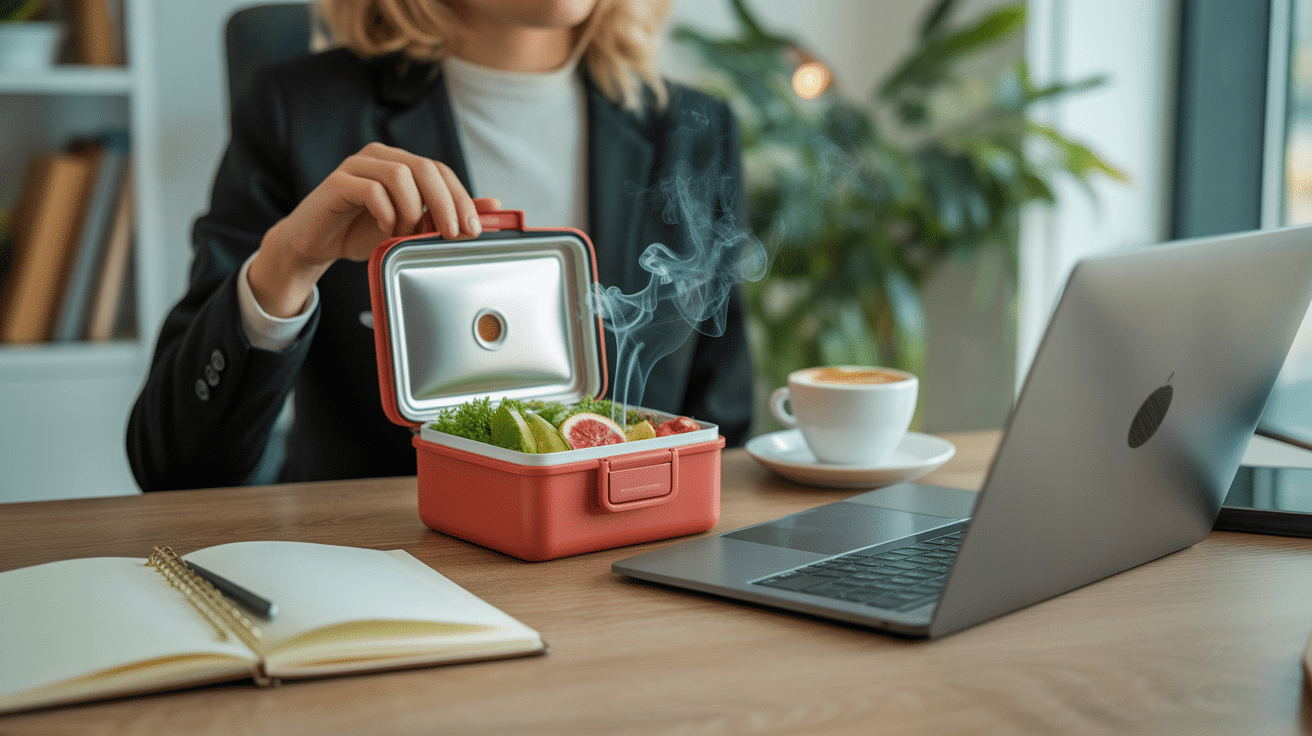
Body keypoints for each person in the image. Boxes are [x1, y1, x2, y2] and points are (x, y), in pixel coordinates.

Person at [126, 0, 754, 491]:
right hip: (385, 570)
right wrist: (287, 267)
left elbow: (726, 424)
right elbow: (174, 467)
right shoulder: (297, 111)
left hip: (618, 574)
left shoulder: (694, 131)